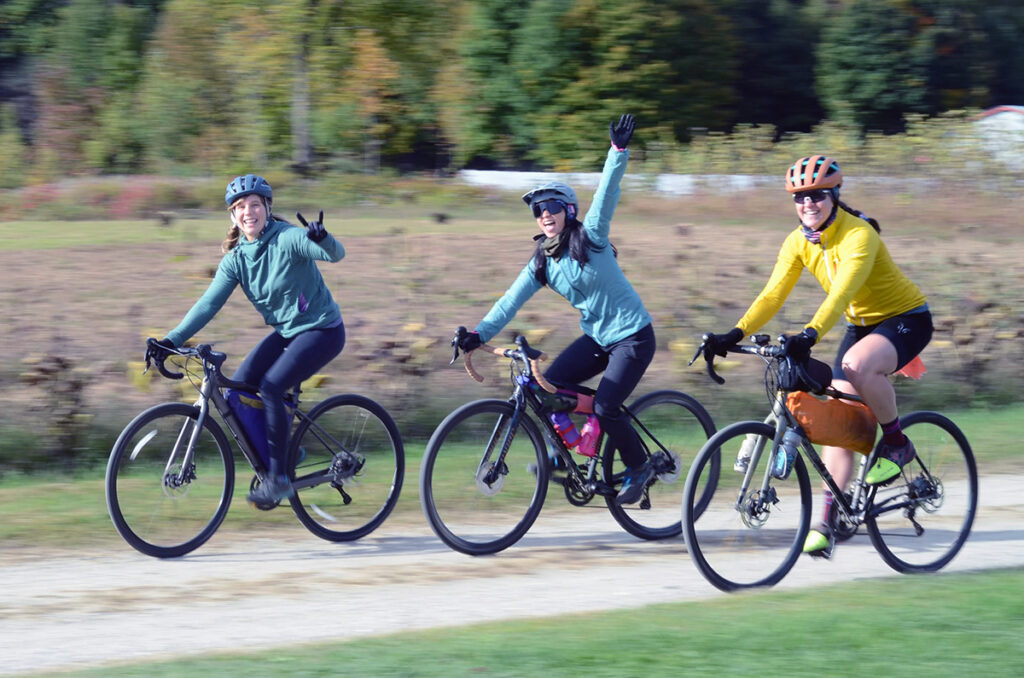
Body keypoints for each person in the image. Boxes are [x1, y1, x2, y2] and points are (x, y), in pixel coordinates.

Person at [701, 155, 933, 557]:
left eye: (818, 195)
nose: (808, 204)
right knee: (842, 418)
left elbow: (842, 292)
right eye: (800, 197)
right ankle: (829, 520)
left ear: (835, 195)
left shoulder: (859, 235)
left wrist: (809, 335)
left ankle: (897, 443)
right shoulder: (797, 242)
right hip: (860, 327)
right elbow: (773, 294)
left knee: (855, 366)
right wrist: (734, 333)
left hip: (905, 318)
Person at [454, 114, 657, 505]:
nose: (544, 214)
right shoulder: (542, 262)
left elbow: (607, 193)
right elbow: (509, 300)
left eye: (551, 206)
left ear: (567, 210)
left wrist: (617, 151)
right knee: (546, 387)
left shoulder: (591, 237)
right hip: (598, 337)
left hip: (633, 337)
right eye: (537, 210)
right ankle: (566, 454)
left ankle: (640, 467)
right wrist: (477, 334)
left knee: (605, 405)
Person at [148, 174, 347, 506]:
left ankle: (279, 480)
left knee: (270, 386)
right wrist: (169, 341)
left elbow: (335, 254)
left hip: (322, 330)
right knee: (236, 392)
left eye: (255, 204)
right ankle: (283, 458)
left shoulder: (288, 239)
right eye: (240, 207)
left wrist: (322, 238)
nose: (248, 212)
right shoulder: (237, 259)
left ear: (267, 208)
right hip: (287, 333)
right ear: (232, 216)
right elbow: (208, 303)